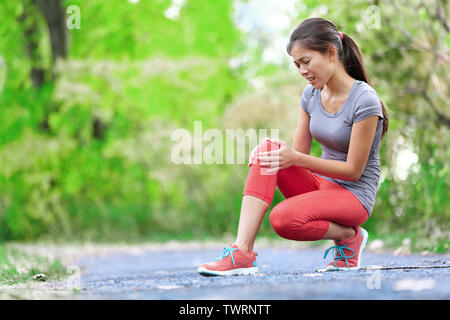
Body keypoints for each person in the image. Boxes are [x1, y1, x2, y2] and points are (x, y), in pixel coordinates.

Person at [198, 17, 389, 276]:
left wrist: (293, 159)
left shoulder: (365, 100)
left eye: (306, 61)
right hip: (321, 186)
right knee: (268, 149)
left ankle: (348, 234)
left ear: (331, 53)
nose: (302, 70)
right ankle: (242, 253)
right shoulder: (311, 95)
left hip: (353, 196)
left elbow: (353, 171)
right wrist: (273, 154)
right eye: (297, 64)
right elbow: (298, 154)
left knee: (283, 219)